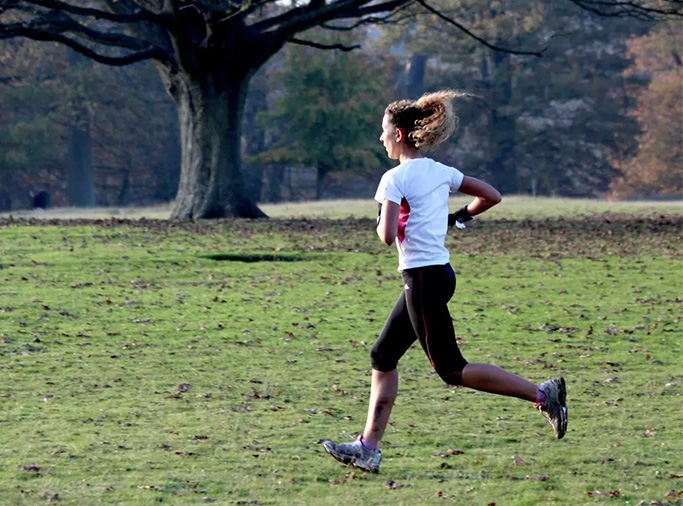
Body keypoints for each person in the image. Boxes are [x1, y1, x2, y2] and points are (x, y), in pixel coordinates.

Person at [321, 90, 567, 474]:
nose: (380, 139)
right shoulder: (440, 171)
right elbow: (491, 195)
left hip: (421, 279)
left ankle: (543, 395)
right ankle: (367, 448)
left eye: (383, 132)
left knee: (452, 370)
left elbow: (386, 237)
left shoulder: (393, 179)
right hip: (439, 275)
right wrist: (459, 217)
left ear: (399, 134)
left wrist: (390, 216)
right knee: (382, 357)